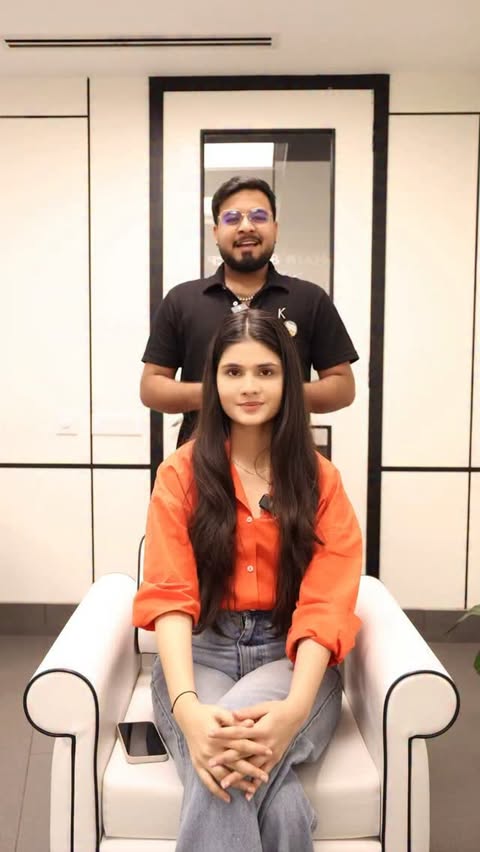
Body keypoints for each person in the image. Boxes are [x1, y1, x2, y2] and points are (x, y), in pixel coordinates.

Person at [133, 309, 363, 852]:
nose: (250, 386)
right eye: (233, 372)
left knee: (226, 764)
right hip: (202, 655)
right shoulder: (180, 474)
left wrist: (295, 710)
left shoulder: (321, 480)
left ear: (289, 381)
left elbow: (326, 605)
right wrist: (188, 709)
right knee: (262, 791)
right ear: (213, 381)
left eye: (266, 371)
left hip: (291, 659)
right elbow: (170, 597)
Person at [140, 175, 359, 446]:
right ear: (215, 232)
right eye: (232, 218)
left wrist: (277, 393)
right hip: (202, 460)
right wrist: (221, 392)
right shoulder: (182, 300)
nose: (246, 226)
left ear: (275, 229)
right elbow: (151, 388)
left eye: (259, 216)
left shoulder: (310, 299)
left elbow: (343, 387)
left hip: (287, 460)